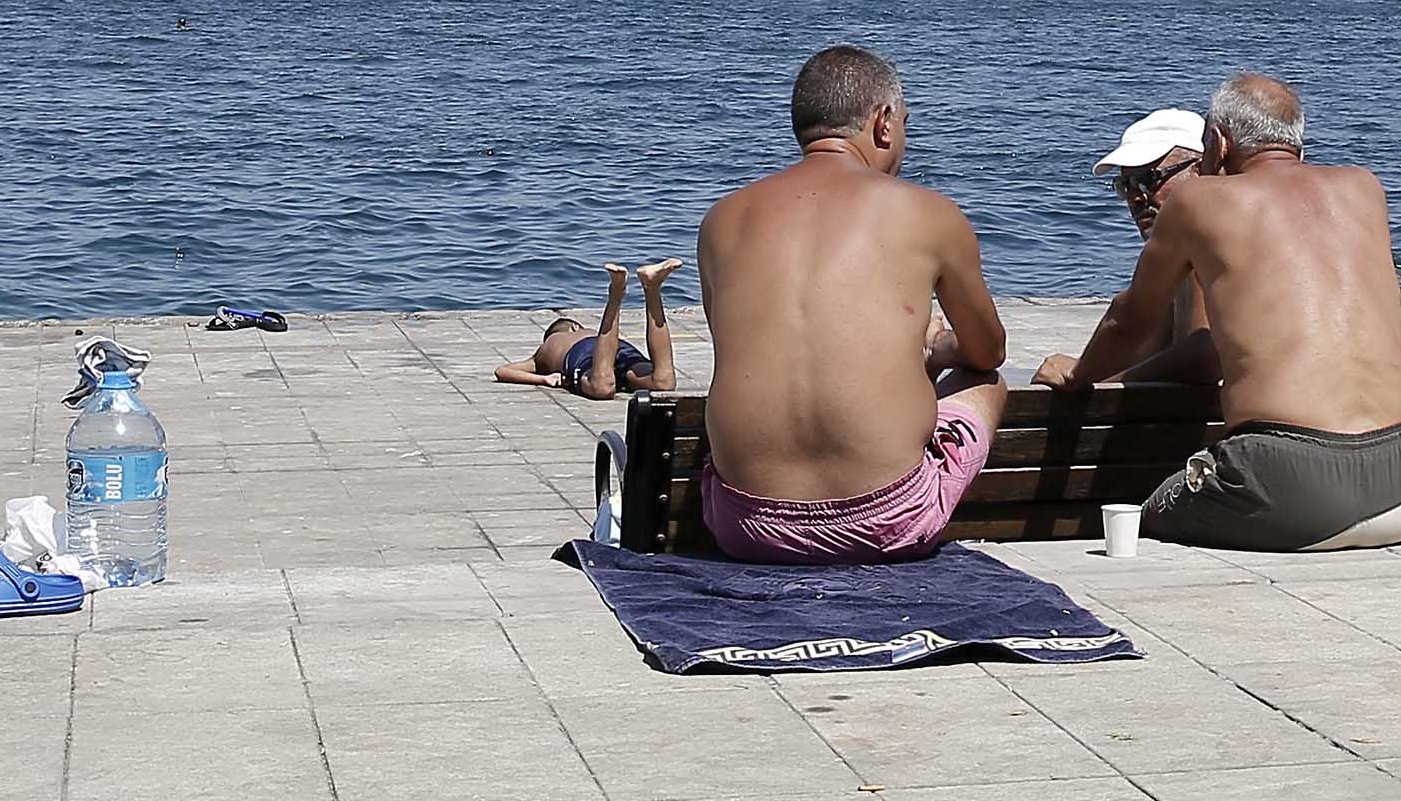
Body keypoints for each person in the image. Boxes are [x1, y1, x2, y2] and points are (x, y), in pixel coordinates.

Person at [1043, 73, 1401, 549]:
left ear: (1217, 143)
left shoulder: (1197, 201)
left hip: (1291, 488)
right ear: (1297, 146)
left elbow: (1128, 321)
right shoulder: (1363, 187)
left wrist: (1080, 375)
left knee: (1146, 513)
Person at [686, 47, 1011, 562]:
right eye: (905, 122)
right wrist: (937, 348)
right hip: (889, 519)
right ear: (883, 122)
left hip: (747, 527)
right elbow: (988, 350)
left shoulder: (721, 221)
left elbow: (735, 346)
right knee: (986, 384)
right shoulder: (929, 212)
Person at [1033, 110, 1217, 391]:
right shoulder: (1178, 258)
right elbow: (1148, 346)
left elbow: (1202, 355)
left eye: (1149, 178)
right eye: (1125, 185)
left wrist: (1090, 386)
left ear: (1201, 168)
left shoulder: (1204, 238)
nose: (1136, 197)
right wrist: (1083, 371)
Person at [501, 261, 683, 399]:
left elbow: (503, 370)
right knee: (663, 382)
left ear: (572, 329)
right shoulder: (584, 333)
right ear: (577, 327)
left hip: (585, 355)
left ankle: (615, 296)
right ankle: (652, 288)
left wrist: (544, 379)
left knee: (602, 387)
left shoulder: (545, 350)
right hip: (619, 348)